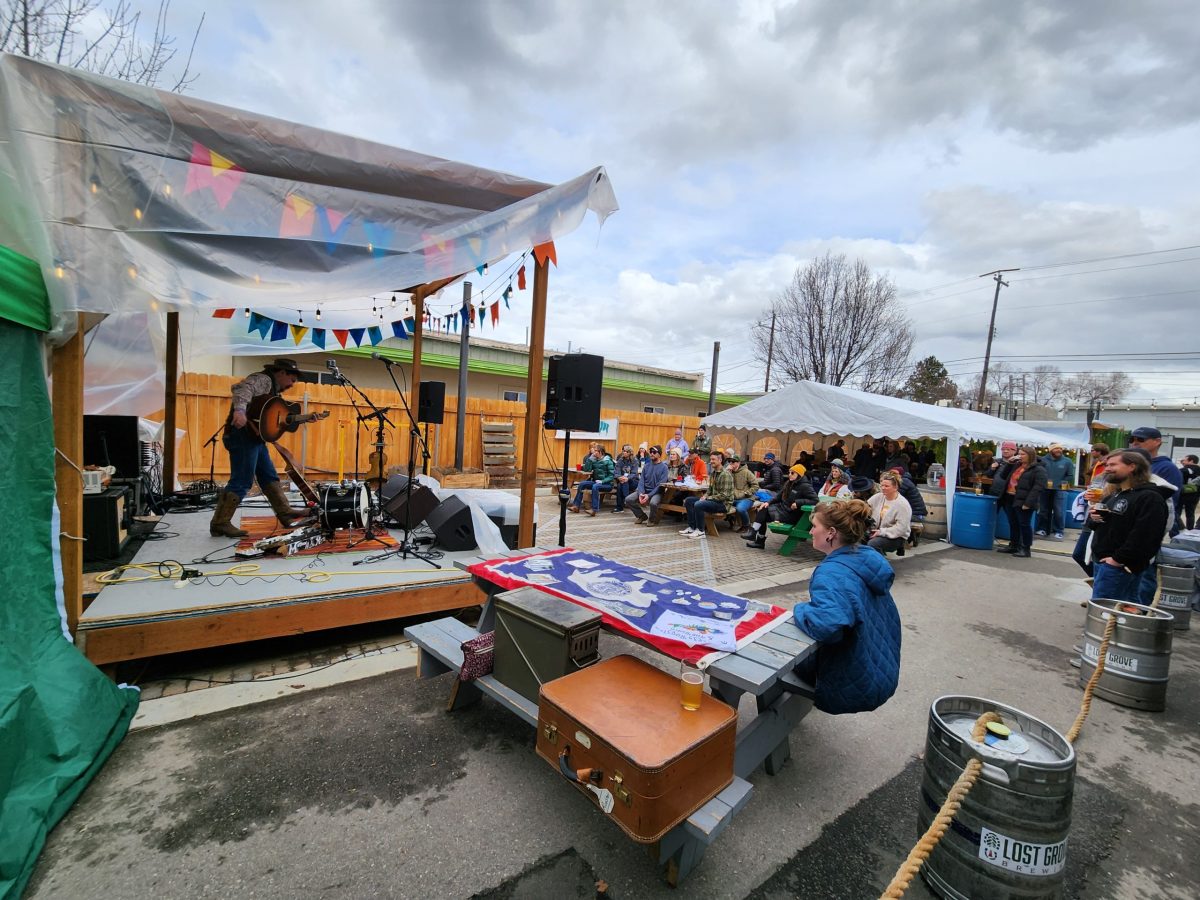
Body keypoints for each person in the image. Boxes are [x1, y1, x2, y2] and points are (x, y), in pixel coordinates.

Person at [791, 499, 901, 714]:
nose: (811, 531)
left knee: (775, 661)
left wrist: (800, 609)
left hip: (851, 680)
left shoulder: (831, 573)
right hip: (880, 668)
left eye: (815, 526)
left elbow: (826, 627)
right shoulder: (866, 558)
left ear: (831, 533)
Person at [210, 358, 311, 538]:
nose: (292, 384)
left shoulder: (273, 393)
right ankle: (220, 523)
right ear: (281, 373)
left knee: (269, 476)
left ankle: (285, 513)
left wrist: (304, 418)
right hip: (242, 436)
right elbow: (242, 388)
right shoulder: (263, 380)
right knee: (242, 480)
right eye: (292, 379)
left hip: (255, 439)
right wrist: (239, 411)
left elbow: (274, 419)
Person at [1088, 450, 1170, 603]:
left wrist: (1118, 560)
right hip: (1104, 564)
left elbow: (1146, 536)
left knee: (1109, 617)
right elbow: (1096, 525)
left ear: (1132, 466)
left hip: (1119, 567)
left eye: (1113, 464)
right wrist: (1095, 518)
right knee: (1111, 615)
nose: (1107, 468)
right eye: (1106, 465)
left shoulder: (1150, 497)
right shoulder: (1114, 495)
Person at [745, 464, 818, 549]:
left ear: (799, 475)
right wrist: (768, 503)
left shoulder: (805, 486)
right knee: (762, 509)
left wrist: (798, 502)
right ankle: (756, 537)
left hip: (792, 514)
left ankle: (756, 537)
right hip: (782, 509)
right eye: (789, 472)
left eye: (793, 473)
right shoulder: (788, 483)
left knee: (763, 513)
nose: (790, 474)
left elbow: (815, 500)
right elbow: (778, 496)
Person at [1128, 427, 1182, 534]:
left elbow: (1169, 501)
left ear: (1157, 442)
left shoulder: (1167, 468)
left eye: (1140, 439)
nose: (1135, 443)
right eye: (1132, 439)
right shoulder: (1128, 464)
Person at [998, 447, 1046, 558]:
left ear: (1030, 455)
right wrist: (1009, 463)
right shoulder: (1017, 465)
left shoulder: (1038, 469)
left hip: (1024, 499)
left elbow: (1038, 487)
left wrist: (1028, 503)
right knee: (1013, 522)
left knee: (1024, 524)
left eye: (1023, 454)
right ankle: (1014, 545)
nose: (1020, 456)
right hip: (1010, 497)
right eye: (1019, 454)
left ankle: (1026, 548)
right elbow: (1003, 476)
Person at [680, 450, 735, 539]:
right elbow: (710, 489)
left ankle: (700, 531)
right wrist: (705, 496)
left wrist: (707, 498)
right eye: (710, 459)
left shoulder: (725, 475)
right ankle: (692, 527)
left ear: (720, 460)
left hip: (724, 504)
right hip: (714, 500)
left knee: (699, 504)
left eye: (713, 459)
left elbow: (724, 496)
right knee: (689, 501)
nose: (711, 461)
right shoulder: (713, 473)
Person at [1036, 443, 1076, 541]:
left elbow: (1070, 475)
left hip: (1060, 489)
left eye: (1060, 448)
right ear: (1050, 450)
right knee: (1043, 510)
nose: (1059, 450)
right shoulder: (1042, 460)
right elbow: (1038, 472)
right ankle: (1043, 529)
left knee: (1059, 511)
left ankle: (1059, 531)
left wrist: (1060, 483)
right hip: (1045, 488)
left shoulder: (1067, 461)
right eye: (1056, 448)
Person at [867, 471, 912, 556]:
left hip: (897, 536)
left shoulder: (902, 505)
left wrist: (881, 532)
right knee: (857, 538)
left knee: (873, 544)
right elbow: (865, 507)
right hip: (877, 530)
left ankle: (881, 565)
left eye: (886, 486)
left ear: (895, 487)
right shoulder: (879, 497)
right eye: (882, 485)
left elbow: (901, 529)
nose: (883, 488)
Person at [989, 442, 1021, 554]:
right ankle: (988, 538)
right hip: (994, 493)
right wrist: (992, 469)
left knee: (1013, 521)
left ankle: (1014, 544)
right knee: (990, 518)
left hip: (1009, 495)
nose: (1006, 451)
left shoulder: (1018, 463)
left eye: (1009, 449)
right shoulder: (997, 461)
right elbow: (987, 475)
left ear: (1014, 451)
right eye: (1004, 449)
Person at [626, 445, 668, 526]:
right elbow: (641, 481)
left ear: (659, 454)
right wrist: (641, 492)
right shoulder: (647, 465)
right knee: (628, 499)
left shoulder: (664, 467)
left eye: (654, 452)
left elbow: (660, 485)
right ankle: (641, 516)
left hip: (657, 492)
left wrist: (648, 495)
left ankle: (652, 519)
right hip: (644, 490)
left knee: (653, 503)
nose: (652, 454)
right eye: (651, 452)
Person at [569, 444, 615, 516]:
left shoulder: (608, 460)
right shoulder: (594, 459)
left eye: (596, 451)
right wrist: (590, 460)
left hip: (608, 484)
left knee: (595, 487)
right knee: (582, 484)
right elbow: (587, 470)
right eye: (594, 450)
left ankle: (594, 509)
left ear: (601, 452)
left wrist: (602, 481)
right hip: (596, 482)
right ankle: (576, 506)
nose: (594, 452)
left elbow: (611, 475)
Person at [727, 453, 759, 534]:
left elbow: (756, 486)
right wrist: (727, 472)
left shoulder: (746, 472)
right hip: (732, 498)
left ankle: (746, 526)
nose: (731, 464)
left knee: (740, 509)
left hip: (746, 498)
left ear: (738, 463)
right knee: (717, 504)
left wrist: (746, 493)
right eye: (730, 462)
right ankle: (729, 519)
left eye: (733, 462)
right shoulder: (728, 472)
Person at [612, 444, 639, 513]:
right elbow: (616, 472)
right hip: (622, 481)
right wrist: (619, 477)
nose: (624, 452)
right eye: (623, 451)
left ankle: (620, 507)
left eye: (626, 451)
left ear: (630, 453)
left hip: (633, 481)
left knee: (623, 483)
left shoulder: (635, 461)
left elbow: (634, 473)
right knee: (619, 486)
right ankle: (626, 500)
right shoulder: (620, 460)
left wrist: (627, 478)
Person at [1180, 454, 1200, 531]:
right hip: (1195, 495)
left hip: (1183, 494)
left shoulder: (1183, 470)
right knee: (1190, 514)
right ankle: (1190, 530)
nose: (1183, 462)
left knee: (1176, 512)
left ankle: (1181, 528)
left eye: (1184, 460)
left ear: (1191, 461)